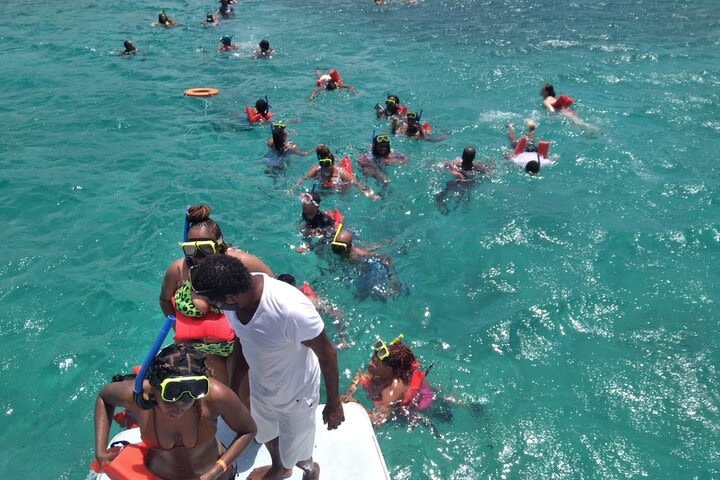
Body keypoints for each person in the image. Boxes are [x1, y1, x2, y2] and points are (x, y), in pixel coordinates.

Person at [189, 255, 345, 480]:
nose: (217, 308)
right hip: (261, 385)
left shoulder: (291, 310)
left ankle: (310, 470)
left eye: (217, 304)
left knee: (298, 452)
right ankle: (280, 467)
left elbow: (328, 354)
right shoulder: (232, 303)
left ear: (231, 297)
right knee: (265, 432)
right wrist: (235, 389)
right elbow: (242, 340)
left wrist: (333, 403)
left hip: (296, 395)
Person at [93, 344, 256, 480]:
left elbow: (248, 430)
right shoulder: (138, 394)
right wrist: (100, 452)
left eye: (188, 399)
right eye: (171, 398)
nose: (179, 407)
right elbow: (104, 397)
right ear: (154, 388)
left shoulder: (213, 395)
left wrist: (217, 469)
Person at [159, 205, 273, 387]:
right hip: (199, 349)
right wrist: (177, 325)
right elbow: (165, 300)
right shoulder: (178, 270)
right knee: (209, 400)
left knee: (238, 395)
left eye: (206, 248)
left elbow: (272, 287)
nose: (199, 256)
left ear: (220, 245)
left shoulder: (242, 262)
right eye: (191, 249)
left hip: (237, 346)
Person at [341, 334, 432, 426]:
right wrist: (351, 388)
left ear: (389, 369)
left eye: (375, 363)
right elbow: (359, 375)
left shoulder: (393, 390)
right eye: (372, 359)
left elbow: (378, 421)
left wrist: (356, 404)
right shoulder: (374, 370)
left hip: (419, 406)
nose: (370, 363)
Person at [329, 225, 404, 301]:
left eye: (340, 248)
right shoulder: (339, 251)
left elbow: (386, 258)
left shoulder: (359, 255)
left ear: (349, 247)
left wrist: (392, 277)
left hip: (368, 269)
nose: (337, 251)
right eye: (334, 247)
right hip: (355, 269)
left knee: (378, 296)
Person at [277, 273, 348, 350]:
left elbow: (337, 312)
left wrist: (342, 339)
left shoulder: (306, 301)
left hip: (311, 304)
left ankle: (342, 340)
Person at [290, 146, 379, 200]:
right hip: (325, 192)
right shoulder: (317, 171)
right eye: (322, 164)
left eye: (328, 164)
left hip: (341, 192)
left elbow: (357, 184)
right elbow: (302, 179)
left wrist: (371, 196)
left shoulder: (341, 172)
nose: (325, 166)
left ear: (332, 163)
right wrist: (292, 189)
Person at [434, 146, 492, 214]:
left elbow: (444, 164)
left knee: (441, 195)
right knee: (465, 196)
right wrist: (490, 162)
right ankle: (465, 207)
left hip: (455, 184)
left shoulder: (455, 164)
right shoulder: (478, 166)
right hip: (468, 186)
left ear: (462, 156)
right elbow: (488, 171)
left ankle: (441, 207)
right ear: (473, 158)